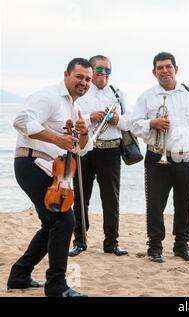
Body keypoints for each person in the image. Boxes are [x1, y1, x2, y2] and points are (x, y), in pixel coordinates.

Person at [8, 58, 93, 297]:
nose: (84, 82)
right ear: (66, 74)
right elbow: (21, 121)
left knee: (51, 224)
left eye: (87, 79)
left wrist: (84, 134)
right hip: (32, 163)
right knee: (65, 221)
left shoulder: (75, 109)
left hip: (54, 171)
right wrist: (57, 139)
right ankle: (56, 286)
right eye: (79, 77)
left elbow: (82, 149)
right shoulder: (48, 96)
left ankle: (19, 275)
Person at [130, 52, 189, 263]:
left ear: (176, 69)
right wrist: (152, 123)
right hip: (157, 157)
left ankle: (182, 246)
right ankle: (155, 247)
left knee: (184, 204)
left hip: (187, 158)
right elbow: (133, 125)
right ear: (154, 72)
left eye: (168, 66)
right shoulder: (147, 96)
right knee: (155, 204)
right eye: (160, 68)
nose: (164, 71)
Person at [68, 55, 129, 257]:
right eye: (99, 70)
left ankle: (111, 242)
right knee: (81, 197)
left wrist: (116, 119)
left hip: (111, 150)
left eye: (108, 70)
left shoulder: (118, 94)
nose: (104, 74)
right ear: (91, 72)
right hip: (85, 150)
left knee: (111, 199)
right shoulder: (81, 92)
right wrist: (90, 117)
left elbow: (130, 122)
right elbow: (70, 119)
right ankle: (80, 241)